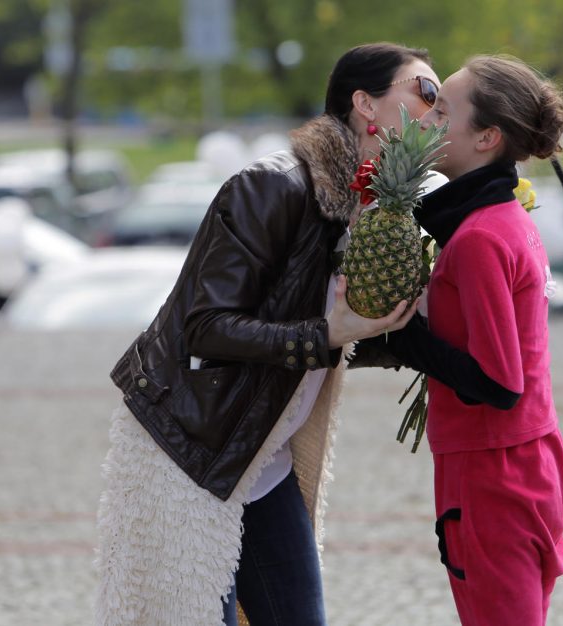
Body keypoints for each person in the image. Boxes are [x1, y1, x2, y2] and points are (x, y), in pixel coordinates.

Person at [94, 42, 440, 626]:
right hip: (189, 449)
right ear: (366, 104)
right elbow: (206, 327)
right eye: (424, 91)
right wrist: (325, 334)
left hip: (263, 459)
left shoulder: (372, 211)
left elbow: (333, 332)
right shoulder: (271, 186)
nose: (437, 110)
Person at [353, 55, 563, 625]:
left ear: (487, 137)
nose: (425, 122)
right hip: (521, 460)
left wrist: (399, 335)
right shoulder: (503, 218)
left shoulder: (478, 238)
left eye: (443, 111)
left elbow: (500, 383)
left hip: (492, 475)